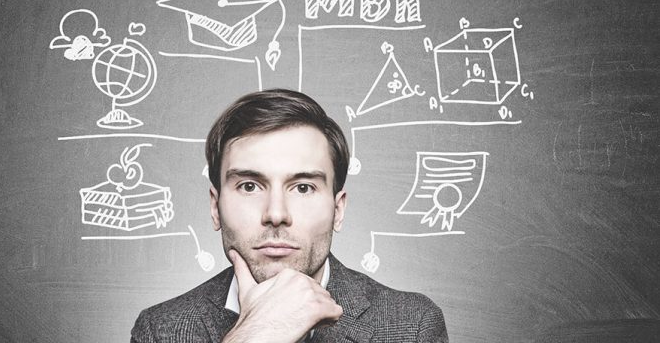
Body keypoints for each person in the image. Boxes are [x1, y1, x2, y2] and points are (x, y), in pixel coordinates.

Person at [131, 89, 448, 342]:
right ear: (215, 207)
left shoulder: (413, 325)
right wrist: (255, 334)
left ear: (338, 210)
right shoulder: (159, 330)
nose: (276, 214)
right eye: (250, 186)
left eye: (304, 188)